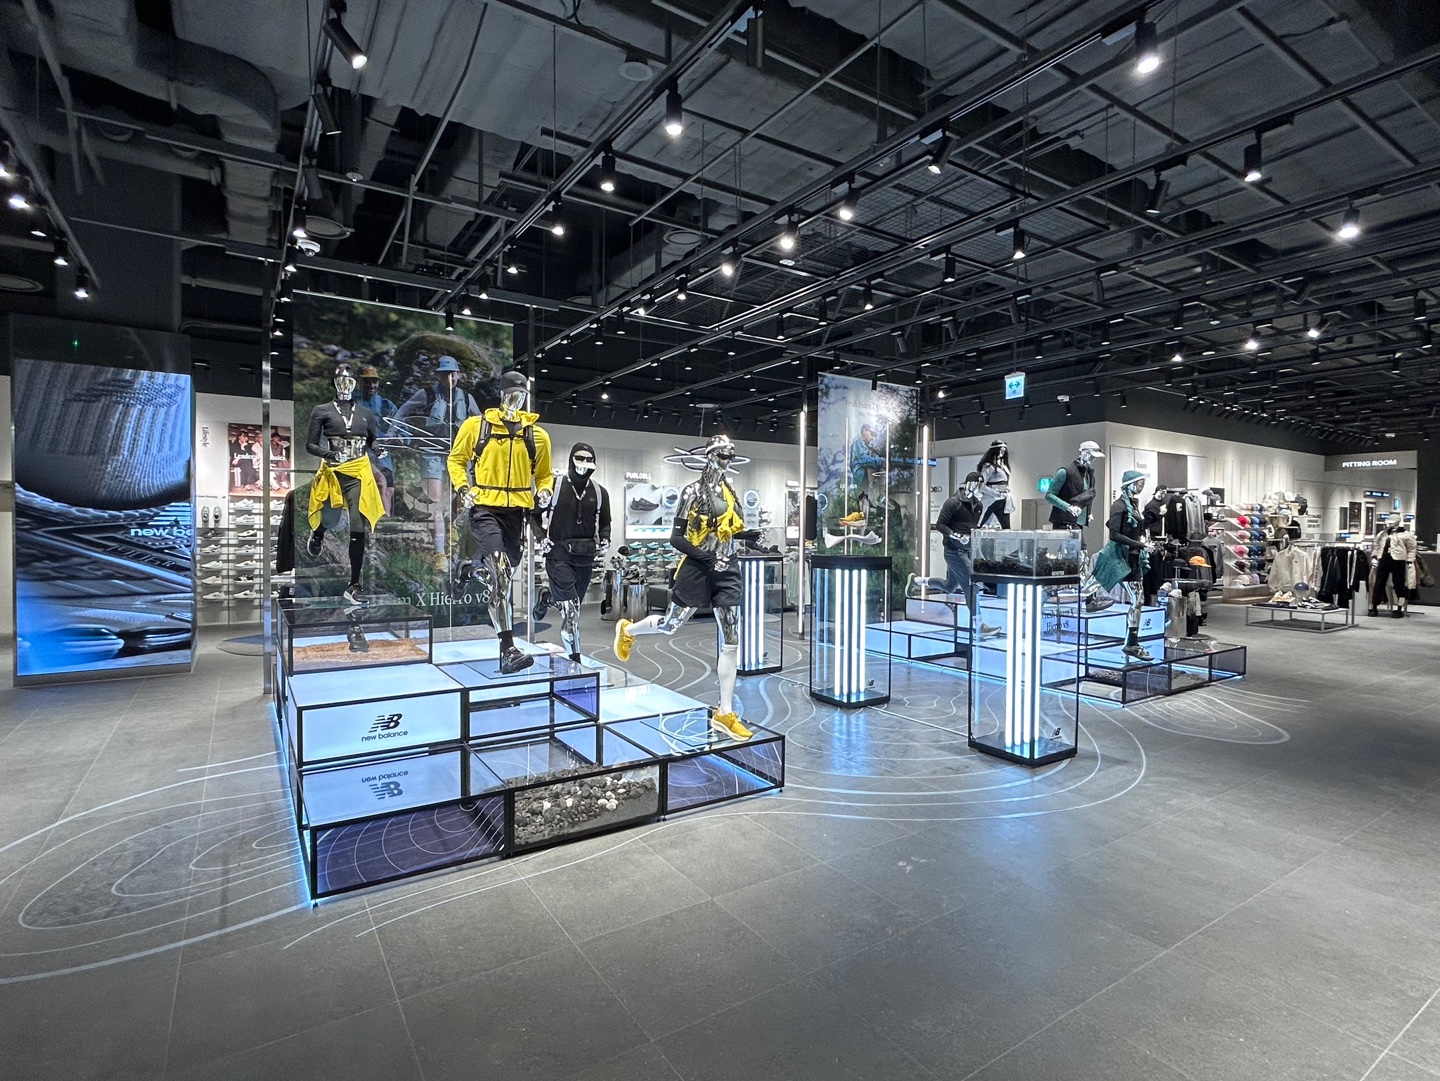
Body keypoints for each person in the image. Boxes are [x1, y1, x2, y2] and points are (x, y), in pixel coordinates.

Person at [612, 434, 754, 741]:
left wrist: (746, 537)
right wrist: (707, 558)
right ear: (710, 456)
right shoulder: (692, 492)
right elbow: (676, 539)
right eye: (723, 454)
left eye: (731, 454)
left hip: (728, 568)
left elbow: (726, 530)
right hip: (699, 567)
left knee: (731, 640)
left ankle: (725, 711)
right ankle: (628, 630)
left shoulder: (730, 492)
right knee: (671, 625)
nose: (727, 459)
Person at [448, 369, 553, 675]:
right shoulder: (476, 426)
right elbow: (456, 459)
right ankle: (508, 649)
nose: (516, 400)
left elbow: (544, 474)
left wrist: (544, 490)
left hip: (517, 514)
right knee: (503, 576)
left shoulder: (537, 435)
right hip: (485, 508)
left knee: (501, 575)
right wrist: (463, 488)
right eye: (511, 394)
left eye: (521, 395)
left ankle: (468, 569)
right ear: (502, 394)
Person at [305, 362, 384, 613]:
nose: (344, 386)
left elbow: (372, 439)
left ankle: (354, 584)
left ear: (354, 385)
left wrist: (378, 449)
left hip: (358, 472)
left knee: (358, 523)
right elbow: (310, 445)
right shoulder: (322, 411)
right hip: (333, 471)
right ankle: (319, 532)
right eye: (340, 381)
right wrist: (330, 454)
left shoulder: (365, 413)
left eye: (349, 382)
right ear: (335, 384)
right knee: (330, 517)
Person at [395, 355, 481, 568]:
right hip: (432, 452)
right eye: (445, 374)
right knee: (435, 500)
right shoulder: (427, 394)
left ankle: (450, 526)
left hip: (458, 455)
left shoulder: (467, 398)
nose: (450, 378)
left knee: (461, 499)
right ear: (439, 376)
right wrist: (394, 432)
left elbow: (481, 423)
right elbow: (403, 410)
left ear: (458, 375)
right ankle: (439, 552)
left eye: (453, 374)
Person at [544, 442, 611, 661]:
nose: (583, 464)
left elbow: (605, 522)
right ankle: (576, 660)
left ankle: (548, 598)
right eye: (579, 458)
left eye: (589, 459)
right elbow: (533, 513)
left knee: (573, 608)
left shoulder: (600, 492)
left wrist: (606, 538)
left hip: (585, 558)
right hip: (558, 557)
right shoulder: (553, 486)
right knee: (572, 612)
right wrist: (540, 537)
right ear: (571, 459)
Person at [1090, 469, 1155, 662]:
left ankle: (1132, 642)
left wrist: (1141, 544)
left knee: (1138, 599)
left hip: (1132, 557)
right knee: (1135, 598)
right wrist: (1139, 544)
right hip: (1121, 557)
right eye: (1139, 483)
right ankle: (1131, 643)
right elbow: (1114, 534)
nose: (1141, 487)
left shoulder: (1133, 505)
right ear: (1130, 485)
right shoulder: (1119, 506)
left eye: (1143, 484)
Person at [933, 472, 984, 596]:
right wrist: (956, 535)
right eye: (975, 484)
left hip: (969, 550)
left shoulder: (978, 505)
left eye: (979, 485)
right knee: (971, 585)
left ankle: (917, 581)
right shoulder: (952, 503)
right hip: (954, 550)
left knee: (950, 586)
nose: (977, 487)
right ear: (967, 484)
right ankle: (974, 610)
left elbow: (972, 527)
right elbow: (940, 525)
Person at [356, 364, 398, 513]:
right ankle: (383, 522)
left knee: (389, 491)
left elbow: (400, 426)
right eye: (367, 382)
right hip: (361, 455)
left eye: (374, 381)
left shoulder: (386, 404)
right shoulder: (352, 403)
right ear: (359, 382)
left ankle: (382, 520)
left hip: (383, 457)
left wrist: (399, 438)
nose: (371, 385)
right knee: (380, 483)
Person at [842, 422, 885, 525]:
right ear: (865, 432)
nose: (872, 438)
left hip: (862, 480)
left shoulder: (864, 446)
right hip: (861, 478)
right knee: (863, 502)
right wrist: (880, 461)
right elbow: (864, 459)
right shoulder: (858, 443)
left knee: (864, 503)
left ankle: (863, 525)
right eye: (871, 434)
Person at [975, 440, 1014, 528]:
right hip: (991, 499)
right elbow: (980, 485)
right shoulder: (988, 467)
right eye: (1001, 449)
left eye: (1004, 450)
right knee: (979, 525)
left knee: (1006, 528)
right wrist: (995, 493)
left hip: (1003, 499)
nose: (1002, 452)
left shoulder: (1004, 467)